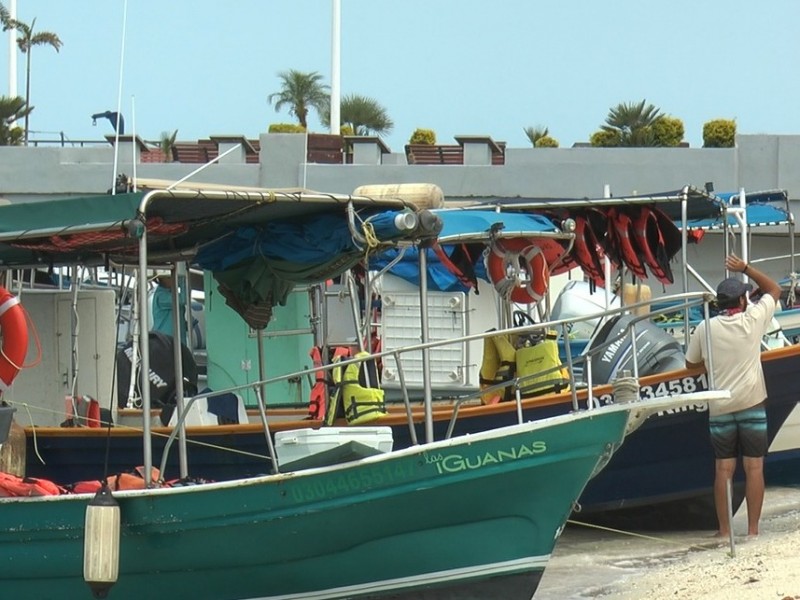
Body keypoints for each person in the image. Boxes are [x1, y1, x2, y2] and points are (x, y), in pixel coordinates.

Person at [685, 253, 781, 537]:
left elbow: (691, 367)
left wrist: (712, 365)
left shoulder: (705, 328)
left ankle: (724, 531)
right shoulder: (752, 320)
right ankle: (752, 530)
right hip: (751, 404)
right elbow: (775, 289)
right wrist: (746, 268)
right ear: (741, 301)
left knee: (723, 470)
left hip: (720, 408)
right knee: (754, 467)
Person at [151, 271, 187, 344]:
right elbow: (183, 300)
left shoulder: (171, 293)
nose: (174, 278)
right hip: (165, 341)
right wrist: (183, 282)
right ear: (163, 279)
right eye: (170, 277)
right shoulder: (161, 296)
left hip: (175, 340)